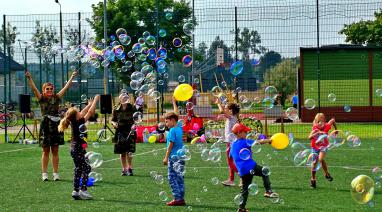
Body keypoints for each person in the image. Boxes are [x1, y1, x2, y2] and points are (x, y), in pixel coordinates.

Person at [26, 70, 77, 181]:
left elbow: (66, 88)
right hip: (45, 126)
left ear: (53, 90)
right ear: (44, 91)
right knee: (45, 151)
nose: (49, 90)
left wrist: (72, 76)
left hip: (56, 126)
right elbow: (34, 89)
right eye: (47, 89)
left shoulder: (57, 97)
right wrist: (29, 78)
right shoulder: (41, 98)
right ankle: (44, 174)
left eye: (51, 88)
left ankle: (55, 173)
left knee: (55, 150)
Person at [58, 95, 100, 200]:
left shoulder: (74, 121)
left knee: (78, 169)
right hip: (78, 148)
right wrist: (95, 101)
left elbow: (83, 112)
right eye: (78, 112)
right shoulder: (79, 121)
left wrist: (89, 105)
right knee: (86, 168)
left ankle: (75, 191)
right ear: (77, 116)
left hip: (74, 148)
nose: (80, 112)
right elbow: (89, 113)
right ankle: (83, 190)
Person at [230, 122, 279, 212]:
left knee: (244, 190)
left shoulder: (233, 145)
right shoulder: (245, 141)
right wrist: (270, 140)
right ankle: (268, 191)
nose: (247, 133)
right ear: (239, 133)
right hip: (250, 166)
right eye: (245, 132)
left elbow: (232, 157)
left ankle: (241, 208)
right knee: (265, 171)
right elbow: (259, 142)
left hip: (242, 170)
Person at [162, 112, 186, 206]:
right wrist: (174, 103)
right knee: (180, 177)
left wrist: (165, 158)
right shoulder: (179, 127)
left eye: (167, 121)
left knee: (171, 177)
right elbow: (176, 114)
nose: (166, 124)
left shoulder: (172, 130)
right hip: (181, 156)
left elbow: (170, 145)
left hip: (173, 158)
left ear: (172, 120)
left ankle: (177, 198)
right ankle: (181, 198)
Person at [111, 93, 137, 176]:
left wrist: (134, 124)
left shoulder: (132, 108)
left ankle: (130, 168)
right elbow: (112, 120)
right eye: (123, 97)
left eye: (126, 97)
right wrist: (114, 124)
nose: (124, 98)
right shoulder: (116, 108)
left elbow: (137, 118)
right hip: (120, 132)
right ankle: (124, 169)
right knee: (122, 152)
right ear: (120, 99)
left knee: (129, 151)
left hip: (130, 131)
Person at [216, 99, 240, 186]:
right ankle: (231, 180)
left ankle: (242, 176)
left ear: (231, 111)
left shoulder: (232, 117)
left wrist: (219, 104)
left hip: (232, 142)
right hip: (230, 142)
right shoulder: (233, 117)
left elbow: (221, 111)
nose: (225, 109)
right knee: (231, 161)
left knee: (230, 161)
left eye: (226, 108)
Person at [308, 113, 335, 188]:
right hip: (314, 147)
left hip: (323, 146)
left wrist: (336, 130)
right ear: (316, 121)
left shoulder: (327, 126)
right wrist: (316, 133)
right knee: (314, 162)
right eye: (319, 120)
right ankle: (313, 179)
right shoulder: (315, 128)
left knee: (320, 159)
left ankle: (326, 173)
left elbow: (332, 120)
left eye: (322, 119)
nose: (321, 122)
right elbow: (309, 137)